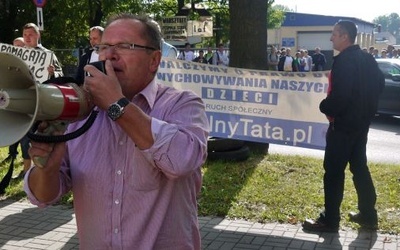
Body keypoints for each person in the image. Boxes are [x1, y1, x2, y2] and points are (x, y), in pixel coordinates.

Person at [24, 13, 209, 249]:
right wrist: (47, 171)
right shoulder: (81, 114)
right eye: (104, 46)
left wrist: (116, 105)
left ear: (154, 60)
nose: (110, 55)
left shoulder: (182, 105)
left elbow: (182, 161)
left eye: (124, 46)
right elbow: (43, 197)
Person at [302, 20, 384, 233]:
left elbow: (341, 96)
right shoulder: (368, 59)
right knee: (359, 168)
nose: (331, 38)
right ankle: (368, 215)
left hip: (343, 126)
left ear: (344, 36)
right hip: (361, 124)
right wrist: (367, 109)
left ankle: (330, 220)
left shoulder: (343, 61)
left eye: (334, 34)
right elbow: (380, 85)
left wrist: (324, 106)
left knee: (333, 172)